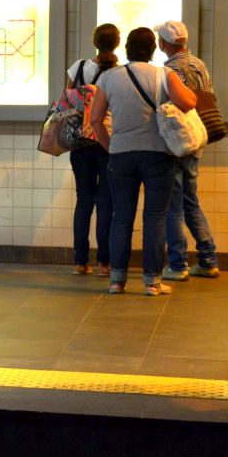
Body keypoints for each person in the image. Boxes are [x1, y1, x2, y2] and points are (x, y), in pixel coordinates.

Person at [88, 27, 197, 296]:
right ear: (153, 49)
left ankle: (116, 281)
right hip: (158, 156)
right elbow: (190, 102)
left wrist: (111, 147)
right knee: (155, 219)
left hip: (121, 155)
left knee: (121, 219)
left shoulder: (110, 77)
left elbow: (95, 120)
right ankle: (152, 282)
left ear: (127, 48)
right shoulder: (164, 74)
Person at [156, 20, 220, 281]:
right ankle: (208, 260)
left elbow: (167, 107)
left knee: (174, 206)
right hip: (198, 138)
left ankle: (178, 264)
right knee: (191, 202)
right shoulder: (199, 64)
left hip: (178, 142)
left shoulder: (169, 70)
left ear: (162, 43)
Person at [65, 23, 118, 276]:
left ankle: (79, 261)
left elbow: (67, 101)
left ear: (94, 41)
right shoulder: (117, 73)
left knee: (84, 200)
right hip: (107, 140)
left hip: (81, 142)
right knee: (106, 203)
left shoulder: (78, 67)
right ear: (117, 44)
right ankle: (105, 264)